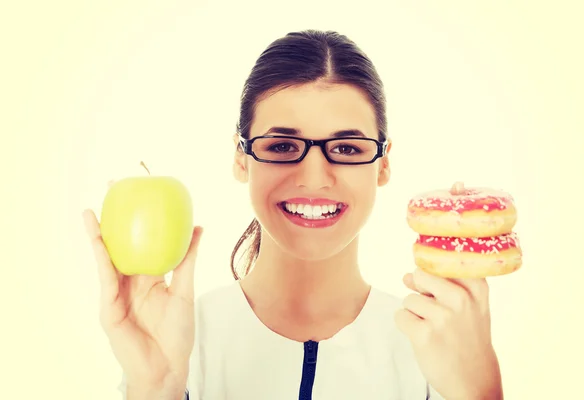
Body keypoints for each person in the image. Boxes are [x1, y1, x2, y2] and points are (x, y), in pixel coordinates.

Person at [83, 29, 503, 400]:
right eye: (282, 146)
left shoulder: (437, 347)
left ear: (384, 163)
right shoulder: (178, 339)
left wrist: (481, 394)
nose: (315, 178)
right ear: (241, 158)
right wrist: (157, 388)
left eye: (347, 149)